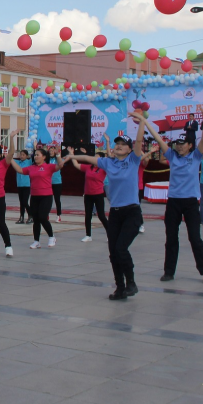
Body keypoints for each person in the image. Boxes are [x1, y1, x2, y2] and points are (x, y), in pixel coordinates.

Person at [63, 111, 147, 300]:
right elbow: (87, 159)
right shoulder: (108, 163)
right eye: (116, 144)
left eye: (122, 144)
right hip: (116, 213)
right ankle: (120, 287)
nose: (118, 146)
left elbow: (140, 142)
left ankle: (131, 283)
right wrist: (71, 156)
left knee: (121, 249)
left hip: (132, 212)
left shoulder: (133, 160)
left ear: (129, 149)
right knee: (113, 252)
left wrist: (141, 122)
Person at [144, 114, 203, 284]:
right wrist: (145, 122)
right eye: (178, 144)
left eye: (183, 144)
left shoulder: (196, 156)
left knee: (195, 238)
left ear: (190, 145)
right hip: (174, 202)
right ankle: (169, 272)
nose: (179, 147)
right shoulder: (172, 156)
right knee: (171, 238)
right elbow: (159, 139)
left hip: (190, 202)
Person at [10, 144, 63, 249]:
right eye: (35, 155)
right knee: (36, 220)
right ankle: (36, 241)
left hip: (46, 196)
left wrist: (58, 155)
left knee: (43, 217)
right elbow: (20, 170)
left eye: (38, 155)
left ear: (44, 157)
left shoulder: (49, 167)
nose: (35, 157)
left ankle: (51, 237)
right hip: (34, 196)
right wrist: (10, 159)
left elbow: (60, 165)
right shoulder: (31, 168)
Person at [69, 147, 109, 243]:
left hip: (98, 194)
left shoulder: (103, 169)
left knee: (101, 216)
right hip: (88, 194)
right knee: (88, 216)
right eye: (94, 157)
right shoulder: (88, 167)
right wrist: (71, 154)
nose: (94, 159)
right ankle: (88, 235)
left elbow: (110, 161)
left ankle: (110, 233)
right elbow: (76, 164)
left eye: (97, 158)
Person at [13, 149, 32, 224]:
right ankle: (22, 217)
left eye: (23, 155)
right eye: (21, 154)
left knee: (25, 201)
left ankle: (31, 216)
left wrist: (34, 147)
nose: (22, 156)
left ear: (27, 156)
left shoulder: (29, 162)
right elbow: (10, 159)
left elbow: (33, 157)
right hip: (19, 185)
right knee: (21, 202)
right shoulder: (17, 162)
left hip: (26, 185)